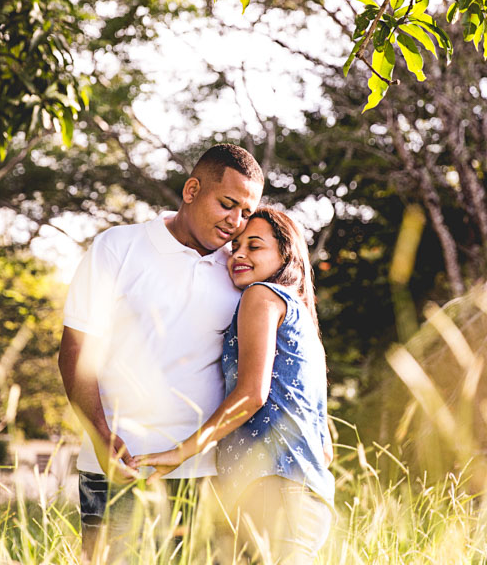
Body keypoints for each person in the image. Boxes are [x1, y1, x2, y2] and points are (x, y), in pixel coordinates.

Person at [58, 143, 264, 562]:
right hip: (116, 467)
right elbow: (75, 351)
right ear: (191, 190)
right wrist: (101, 441)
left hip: (202, 474)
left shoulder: (238, 271)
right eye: (227, 205)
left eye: (245, 213)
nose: (236, 222)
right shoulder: (117, 247)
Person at [132, 207, 335, 565]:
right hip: (302, 496)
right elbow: (326, 449)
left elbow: (251, 394)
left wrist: (182, 452)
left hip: (273, 492)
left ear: (286, 254)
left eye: (254, 246)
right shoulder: (302, 317)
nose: (238, 254)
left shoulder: (261, 296)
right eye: (235, 245)